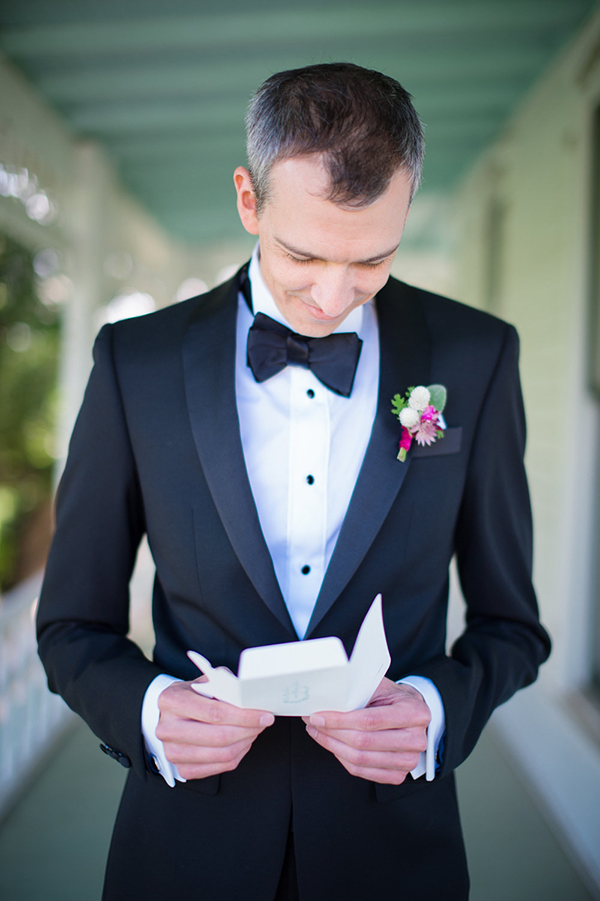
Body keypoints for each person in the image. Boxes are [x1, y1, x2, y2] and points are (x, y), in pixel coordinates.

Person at [37, 63, 550, 901]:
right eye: (303, 253)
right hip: (183, 851)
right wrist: (145, 710)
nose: (333, 295)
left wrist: (438, 708)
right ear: (249, 199)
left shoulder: (476, 356)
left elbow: (512, 624)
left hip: (395, 855)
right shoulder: (135, 363)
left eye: (373, 257)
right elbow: (70, 624)